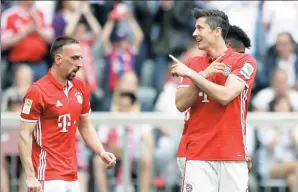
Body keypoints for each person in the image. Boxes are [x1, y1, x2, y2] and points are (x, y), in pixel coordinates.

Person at [170, 8, 257, 192]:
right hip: (198, 155)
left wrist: (194, 76)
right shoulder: (193, 64)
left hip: (232, 153)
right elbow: (180, 104)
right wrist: (201, 74)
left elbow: (225, 96)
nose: (195, 33)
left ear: (217, 31)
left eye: (200, 28)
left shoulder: (244, 61)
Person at [17, 36, 116, 192]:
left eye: (81, 58)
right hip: (47, 176)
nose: (80, 64)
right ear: (58, 59)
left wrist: (101, 151)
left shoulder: (81, 87)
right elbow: (24, 135)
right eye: (75, 58)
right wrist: (30, 175)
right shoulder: (37, 91)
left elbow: (85, 127)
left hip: (72, 174)